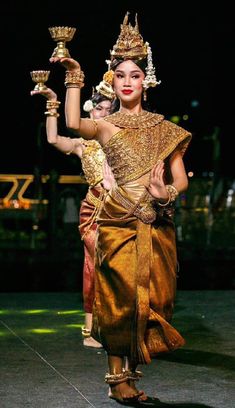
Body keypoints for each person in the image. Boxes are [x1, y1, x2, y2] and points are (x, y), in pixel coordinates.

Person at [51, 12, 192, 403]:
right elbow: (72, 120)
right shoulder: (106, 125)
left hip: (157, 225)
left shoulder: (167, 129)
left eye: (134, 74)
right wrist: (75, 76)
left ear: (146, 80)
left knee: (154, 300)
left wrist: (166, 194)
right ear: (112, 80)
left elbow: (180, 180)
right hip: (117, 222)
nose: (128, 81)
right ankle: (118, 381)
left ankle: (130, 373)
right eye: (121, 75)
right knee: (118, 299)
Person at [30, 76, 115, 349]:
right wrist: (53, 104)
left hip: (120, 207)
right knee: (94, 265)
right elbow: (53, 138)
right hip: (94, 208)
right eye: (98, 108)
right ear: (90, 110)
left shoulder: (119, 141)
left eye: (107, 109)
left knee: (120, 267)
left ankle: (120, 324)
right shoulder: (83, 145)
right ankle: (91, 329)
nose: (101, 113)